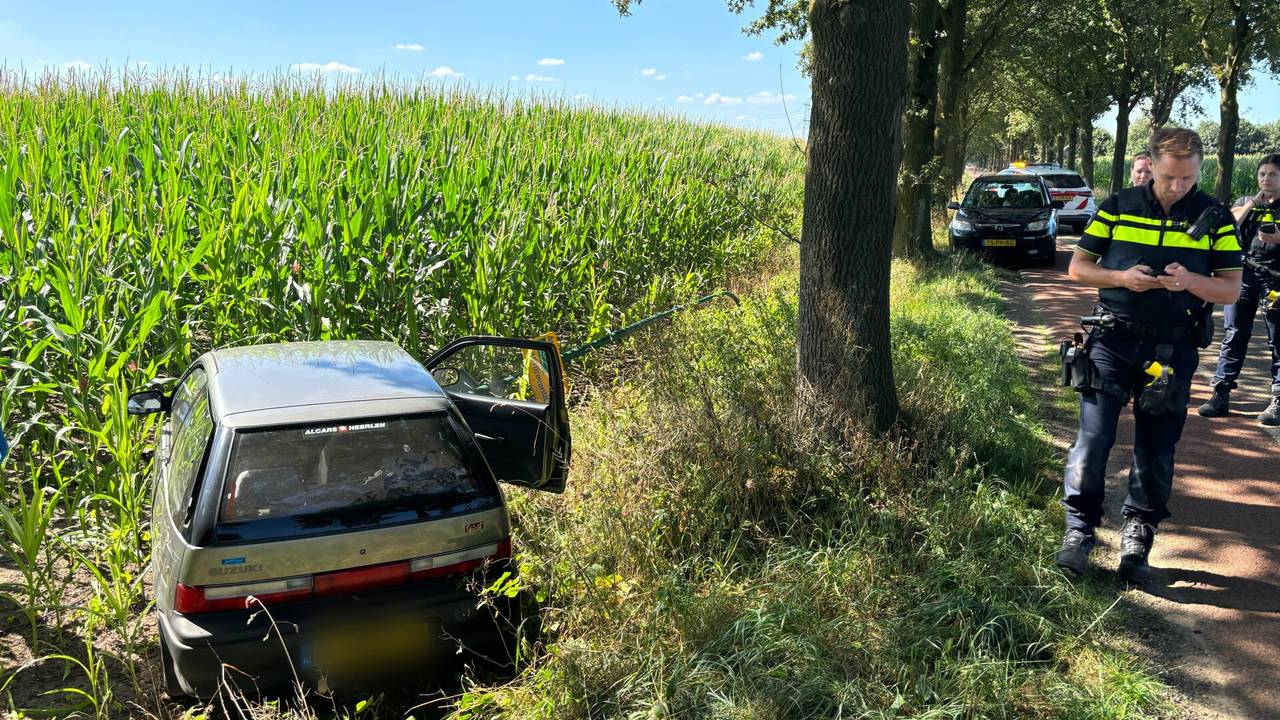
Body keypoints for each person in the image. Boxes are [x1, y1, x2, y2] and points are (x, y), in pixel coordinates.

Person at [1055, 128, 1243, 583]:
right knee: (1093, 440)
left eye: (1188, 178)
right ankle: (1079, 531)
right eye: (1169, 177)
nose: (1178, 187)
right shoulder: (1118, 206)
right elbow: (1079, 268)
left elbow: (1230, 289)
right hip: (1111, 342)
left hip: (1173, 349)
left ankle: (1139, 534)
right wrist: (1122, 278)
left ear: (1200, 170)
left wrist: (1191, 282)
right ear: (1152, 166)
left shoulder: (1215, 217)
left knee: (1156, 448)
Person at [1197, 154, 1280, 424]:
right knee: (1234, 334)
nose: (1266, 179)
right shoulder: (1246, 201)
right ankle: (1221, 393)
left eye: (1273, 174)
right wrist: (1253, 202)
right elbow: (1230, 225)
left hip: (1275, 280)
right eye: (1262, 174)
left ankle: (1277, 399)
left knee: (1277, 339)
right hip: (1244, 276)